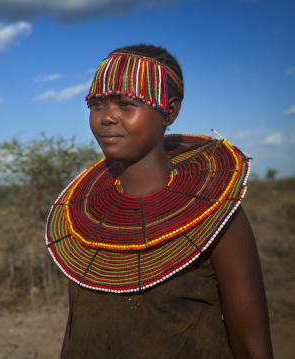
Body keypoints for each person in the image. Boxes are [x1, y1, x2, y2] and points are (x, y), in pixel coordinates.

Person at [45, 44, 273, 358]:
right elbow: (76, 331)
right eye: (97, 104)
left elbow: (251, 344)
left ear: (170, 111)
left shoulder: (213, 213)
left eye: (126, 104)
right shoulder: (86, 216)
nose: (107, 117)